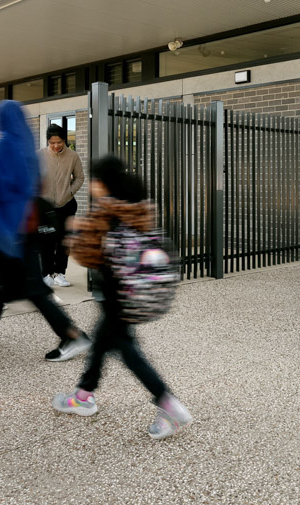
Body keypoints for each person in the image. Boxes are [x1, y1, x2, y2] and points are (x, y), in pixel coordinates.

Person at [52, 155, 192, 440]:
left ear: (102, 183)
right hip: (128, 290)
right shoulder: (135, 203)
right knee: (102, 341)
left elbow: (85, 254)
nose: (91, 185)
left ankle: (167, 403)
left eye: (94, 180)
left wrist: (73, 233)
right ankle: (84, 394)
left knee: (127, 351)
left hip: (117, 293)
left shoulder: (106, 211)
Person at [0, 100, 91, 361]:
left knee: (30, 289)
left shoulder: (1, 150)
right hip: (27, 230)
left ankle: (72, 336)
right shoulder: (29, 150)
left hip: (7, 233)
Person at [38, 124, 85, 287]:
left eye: (59, 142)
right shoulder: (39, 156)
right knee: (46, 241)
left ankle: (60, 273)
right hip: (45, 208)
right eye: (52, 143)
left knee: (64, 240)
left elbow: (80, 177)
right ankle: (47, 274)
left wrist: (69, 193)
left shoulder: (73, 156)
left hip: (66, 206)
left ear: (64, 140)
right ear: (48, 141)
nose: (56, 146)